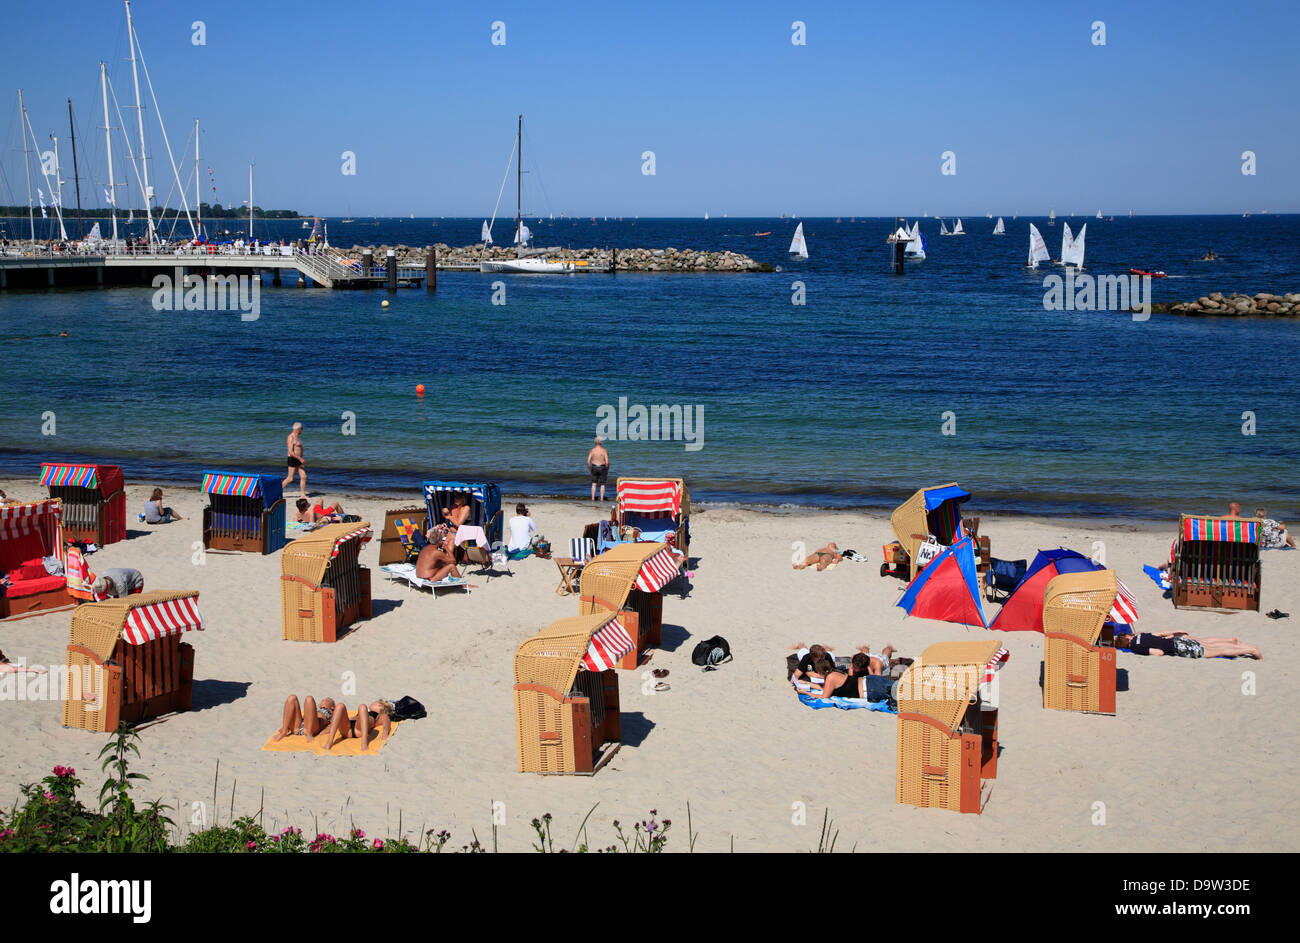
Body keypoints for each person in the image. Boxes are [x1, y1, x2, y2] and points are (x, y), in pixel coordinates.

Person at [1114, 630, 1262, 661]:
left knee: (1213, 651)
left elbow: (1158, 652)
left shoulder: (1136, 648)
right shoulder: (1141, 634)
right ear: (1127, 637)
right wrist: (1176, 632)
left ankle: (1250, 650)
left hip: (1178, 648)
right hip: (1176, 640)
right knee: (1205, 641)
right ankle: (1230, 640)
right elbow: (1161, 633)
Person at [817, 653, 897, 703]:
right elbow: (851, 677)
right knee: (899, 686)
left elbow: (824, 696)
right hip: (869, 681)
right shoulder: (854, 659)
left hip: (870, 686)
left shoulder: (877, 663)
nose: (853, 668)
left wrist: (868, 668)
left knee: (885, 654)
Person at [283, 422, 307, 499]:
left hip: (299, 460)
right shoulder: (291, 437)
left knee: (303, 476)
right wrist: (300, 458)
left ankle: (303, 495)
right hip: (293, 459)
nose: (302, 430)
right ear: (298, 429)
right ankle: (278, 491)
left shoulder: (297, 437)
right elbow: (290, 451)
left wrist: (300, 459)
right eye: (302, 429)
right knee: (290, 478)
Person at [587, 437, 610, 502]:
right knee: (602, 484)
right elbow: (607, 462)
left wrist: (590, 468)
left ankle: (593, 498)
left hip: (594, 467)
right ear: (601, 442)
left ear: (595, 442)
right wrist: (607, 468)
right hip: (602, 467)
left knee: (594, 484)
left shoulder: (592, 450)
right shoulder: (604, 450)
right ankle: (602, 499)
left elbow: (588, 461)